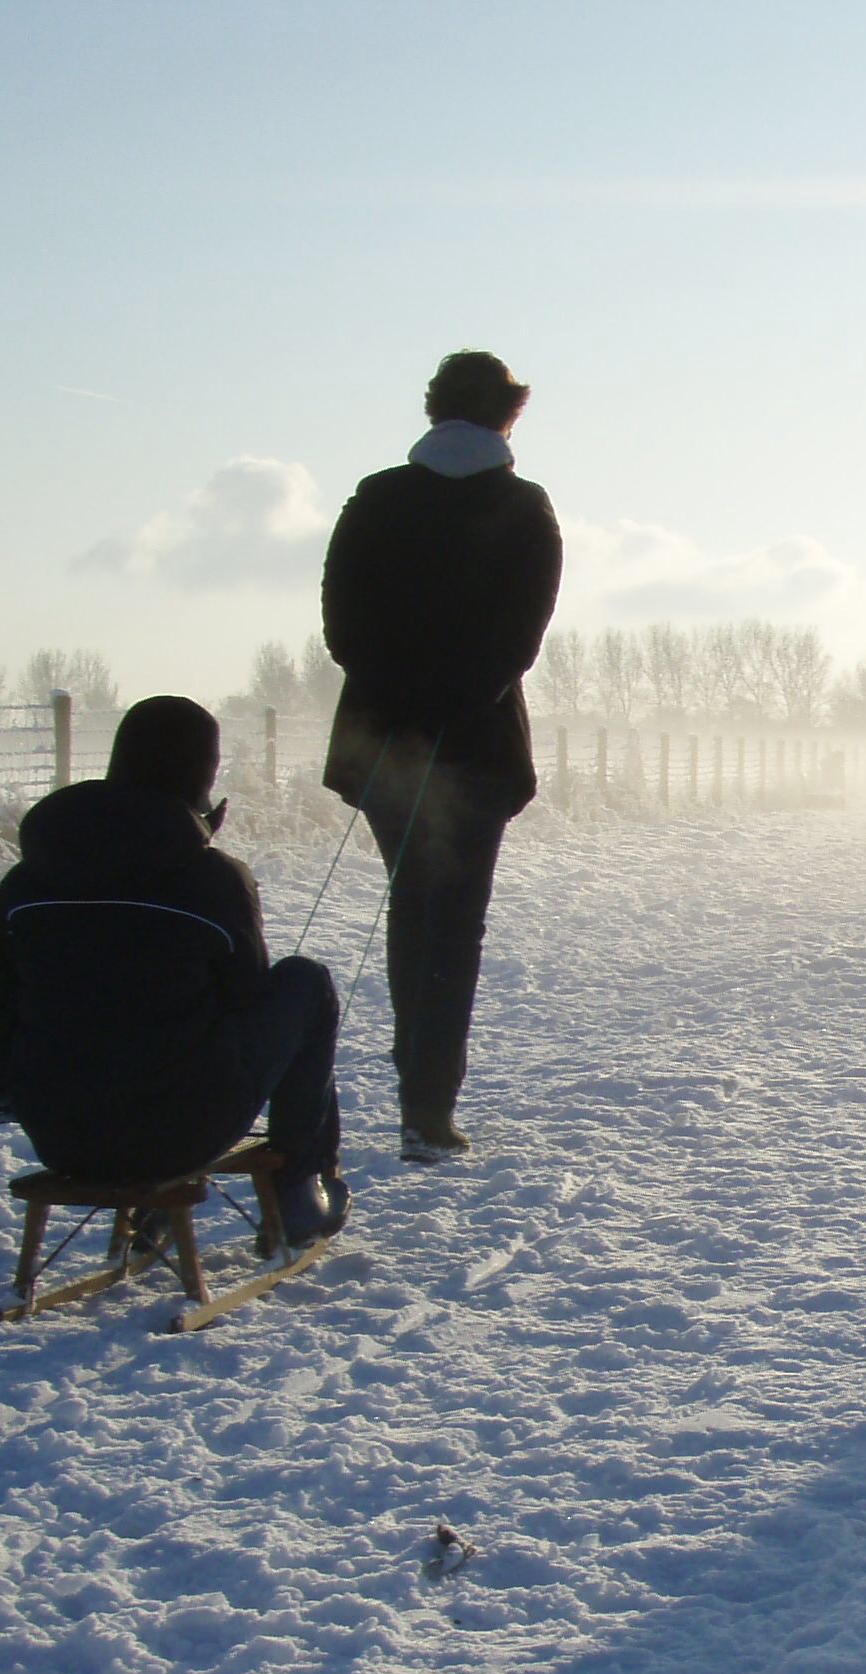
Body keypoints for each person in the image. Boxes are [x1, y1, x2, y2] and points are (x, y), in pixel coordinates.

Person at [0, 695, 345, 1243]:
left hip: (61, 1135)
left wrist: (22, 1087)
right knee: (306, 981)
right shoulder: (213, 880)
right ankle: (297, 1188)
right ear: (204, 778)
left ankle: (157, 1196)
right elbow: (244, 1000)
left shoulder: (27, 882)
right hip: (185, 1132)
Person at [322, 349, 563, 1162]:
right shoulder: (523, 506)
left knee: (412, 906)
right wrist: (455, 704)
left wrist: (398, 703)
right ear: (508, 415)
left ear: (433, 410)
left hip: (383, 740)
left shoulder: (377, 497)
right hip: (476, 746)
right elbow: (521, 636)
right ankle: (428, 1108)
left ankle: (417, 1091)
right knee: (454, 922)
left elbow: (342, 626)